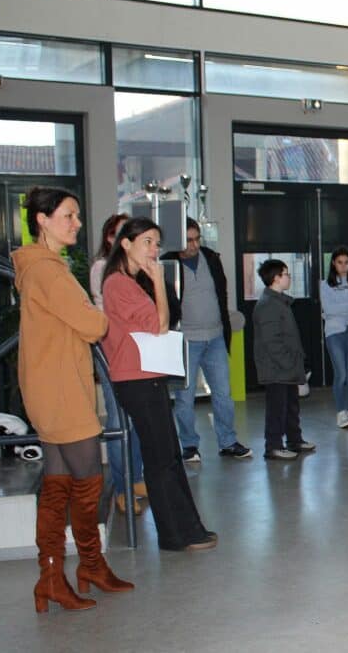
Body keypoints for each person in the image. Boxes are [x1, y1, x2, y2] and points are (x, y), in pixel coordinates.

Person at [14, 187, 132, 612]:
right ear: (42, 220)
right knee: (86, 484)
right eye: (69, 215)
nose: (77, 223)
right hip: (61, 392)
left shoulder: (45, 268)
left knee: (58, 485)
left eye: (77, 215)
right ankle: (87, 566)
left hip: (52, 388)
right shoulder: (47, 272)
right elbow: (92, 323)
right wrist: (95, 313)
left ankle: (55, 577)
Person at [102, 216, 217, 553]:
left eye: (156, 243)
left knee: (167, 454)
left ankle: (187, 528)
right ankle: (174, 534)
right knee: (160, 458)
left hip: (147, 376)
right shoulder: (118, 283)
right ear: (125, 243)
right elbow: (160, 324)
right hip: (135, 379)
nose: (154, 250)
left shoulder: (130, 280)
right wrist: (158, 281)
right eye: (147, 242)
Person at [161, 218, 250, 462]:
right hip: (186, 340)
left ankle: (228, 441)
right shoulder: (167, 263)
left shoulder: (211, 258)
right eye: (189, 240)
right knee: (184, 398)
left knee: (223, 393)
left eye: (197, 238)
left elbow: (222, 293)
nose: (194, 245)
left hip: (216, 337)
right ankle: (189, 445)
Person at [90, 211, 146, 516]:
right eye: (116, 234)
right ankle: (122, 487)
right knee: (118, 419)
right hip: (113, 350)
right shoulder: (103, 268)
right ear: (110, 238)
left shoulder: (130, 271)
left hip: (134, 352)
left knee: (134, 418)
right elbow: (109, 314)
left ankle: (136, 478)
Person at [253, 258, 314, 460]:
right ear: (276, 278)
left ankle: (294, 440)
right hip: (276, 368)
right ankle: (273, 446)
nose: (289, 277)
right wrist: (289, 363)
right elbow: (272, 342)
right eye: (286, 274)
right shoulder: (269, 305)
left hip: (286, 368)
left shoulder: (280, 301)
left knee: (291, 407)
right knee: (277, 409)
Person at [320, 246, 348, 429]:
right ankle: (341, 413)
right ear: (333, 264)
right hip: (334, 333)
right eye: (339, 262)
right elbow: (329, 310)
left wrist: (343, 307)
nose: (343, 266)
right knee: (341, 374)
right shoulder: (325, 285)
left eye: (347, 262)